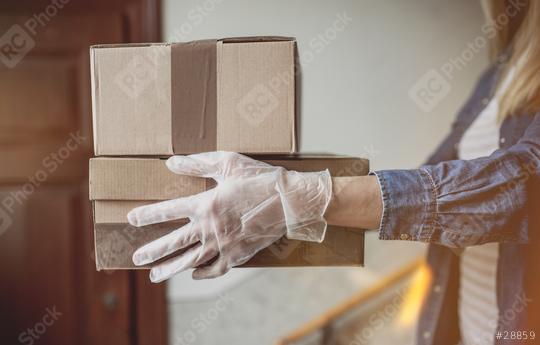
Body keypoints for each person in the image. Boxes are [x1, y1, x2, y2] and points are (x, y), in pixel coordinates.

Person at [126, 1, 539, 344]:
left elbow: (525, 188)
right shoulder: (502, 69)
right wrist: (296, 188)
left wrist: (305, 196)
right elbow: (440, 189)